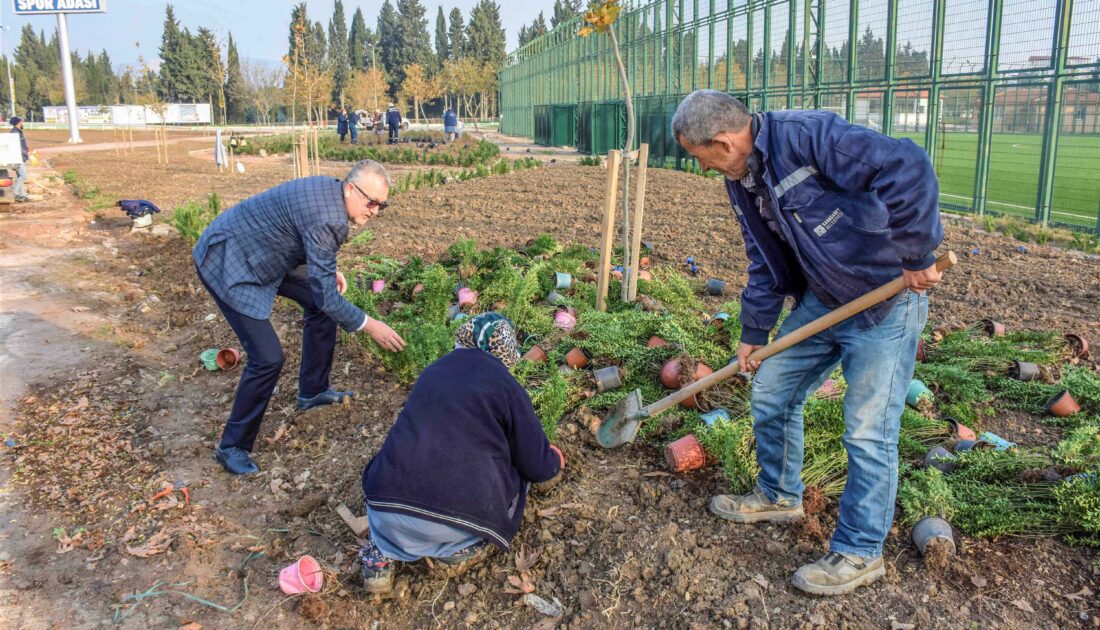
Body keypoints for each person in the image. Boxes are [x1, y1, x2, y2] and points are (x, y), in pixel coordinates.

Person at [671, 90, 943, 596]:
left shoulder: (808, 136)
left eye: (698, 155)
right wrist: (754, 334)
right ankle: (778, 494)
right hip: (826, 299)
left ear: (724, 142)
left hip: (885, 300)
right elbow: (762, 257)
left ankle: (861, 551)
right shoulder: (743, 178)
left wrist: (917, 250)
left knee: (868, 430)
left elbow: (906, 163)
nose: (702, 167)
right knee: (772, 388)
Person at [193, 160, 407, 476]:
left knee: (319, 302)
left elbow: (296, 229)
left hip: (260, 252)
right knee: (267, 358)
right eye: (371, 202)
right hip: (228, 263)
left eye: (382, 205)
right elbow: (326, 289)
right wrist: (370, 324)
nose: (375, 210)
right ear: (350, 189)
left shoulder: (330, 193)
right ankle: (232, 447)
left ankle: (313, 391)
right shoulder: (329, 218)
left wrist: (325, 270)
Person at [359, 312, 564, 594]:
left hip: (385, 508)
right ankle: (459, 550)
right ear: (505, 354)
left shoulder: (432, 371)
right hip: (455, 519)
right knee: (514, 470)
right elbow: (535, 464)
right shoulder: (506, 385)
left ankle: (380, 554)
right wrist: (554, 460)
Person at [9, 117, 30, 203]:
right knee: (23, 175)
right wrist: (25, 152)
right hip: (18, 157)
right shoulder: (15, 132)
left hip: (20, 156)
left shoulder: (17, 132)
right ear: (18, 122)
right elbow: (16, 146)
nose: (23, 123)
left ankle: (22, 196)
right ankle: (13, 192)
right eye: (22, 122)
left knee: (20, 175)